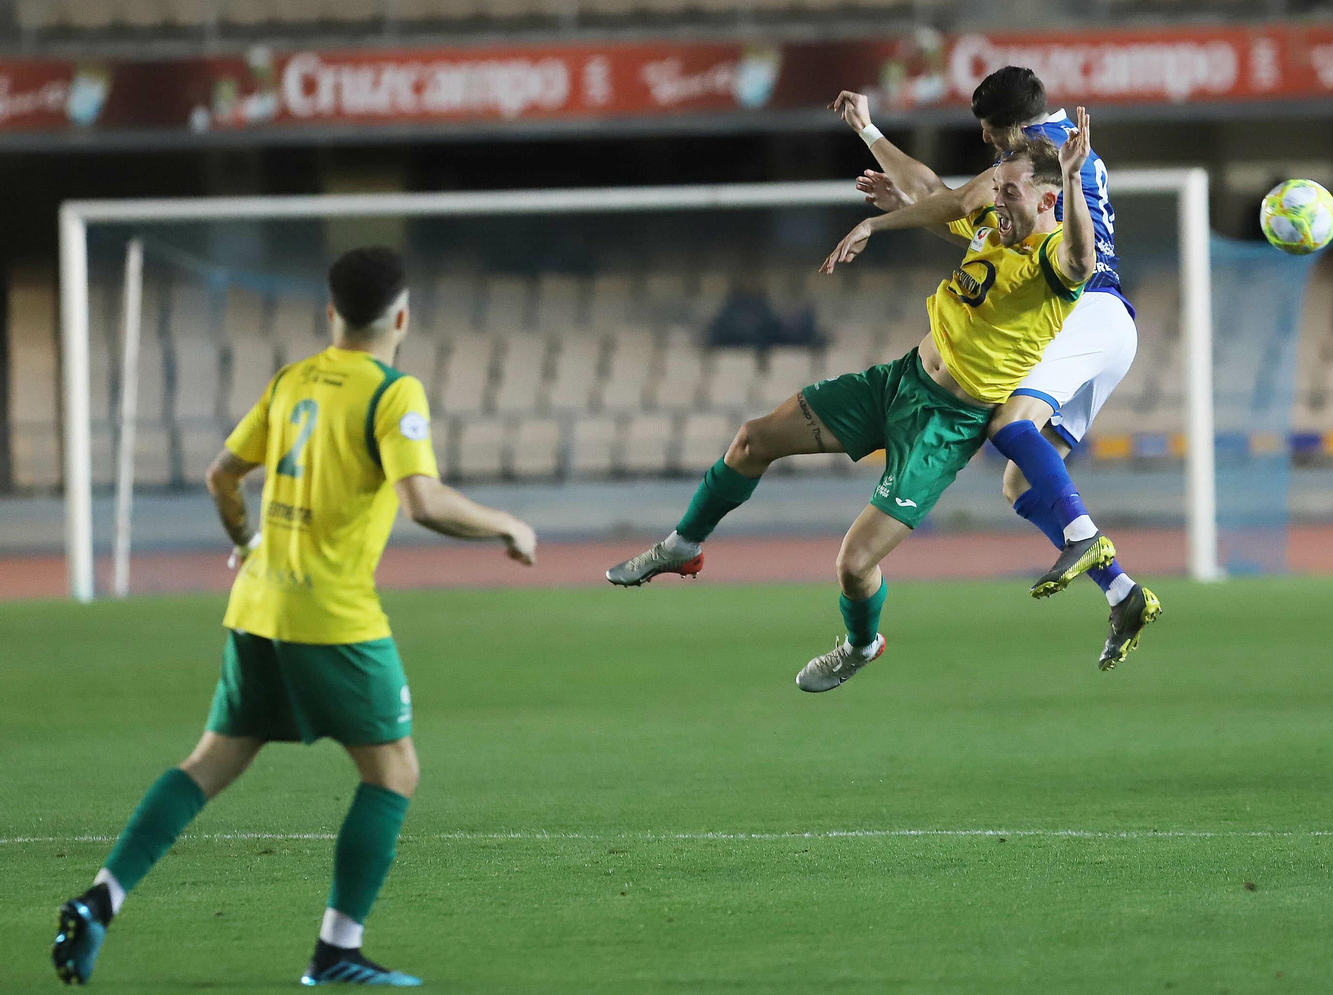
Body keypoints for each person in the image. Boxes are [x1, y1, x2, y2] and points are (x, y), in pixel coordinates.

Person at [52, 247, 538, 988]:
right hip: (332, 616)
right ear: (402, 317)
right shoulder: (394, 390)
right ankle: (336, 951)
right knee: (394, 770)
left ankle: (99, 900)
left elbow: (222, 474)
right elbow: (424, 501)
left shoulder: (290, 380)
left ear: (331, 313)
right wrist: (508, 523)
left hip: (257, 606)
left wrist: (246, 542)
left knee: (211, 760)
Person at [607, 132, 1095, 693]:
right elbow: (935, 194)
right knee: (752, 440)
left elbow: (1082, 259)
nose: (995, 198)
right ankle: (683, 546)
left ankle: (863, 645)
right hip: (898, 381)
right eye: (996, 187)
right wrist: (871, 139)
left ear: (1047, 201)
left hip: (945, 427)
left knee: (854, 564)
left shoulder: (1056, 262)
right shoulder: (992, 227)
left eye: (1008, 191)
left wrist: (1075, 175)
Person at [830, 69, 1159, 672]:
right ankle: (1123, 593)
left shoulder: (1037, 154)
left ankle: (1083, 538)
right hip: (1100, 324)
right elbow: (950, 206)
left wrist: (881, 222)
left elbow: (953, 200)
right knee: (1020, 481)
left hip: (1089, 309)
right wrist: (870, 131)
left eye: (989, 133)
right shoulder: (1045, 155)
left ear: (1012, 127)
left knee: (1007, 422)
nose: (987, 144)